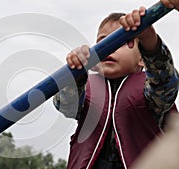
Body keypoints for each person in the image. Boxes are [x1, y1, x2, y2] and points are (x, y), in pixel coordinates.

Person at [53, 6, 178, 169]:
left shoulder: (151, 90)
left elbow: (165, 82)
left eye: (122, 41)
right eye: (103, 42)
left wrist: (150, 42)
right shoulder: (87, 88)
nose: (110, 47)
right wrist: (75, 74)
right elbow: (65, 105)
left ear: (142, 59)